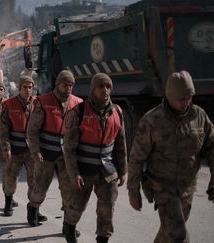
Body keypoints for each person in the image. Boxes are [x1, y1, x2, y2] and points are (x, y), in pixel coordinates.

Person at [127, 70, 214, 243]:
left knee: (169, 233)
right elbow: (136, 158)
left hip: (188, 187)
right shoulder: (152, 120)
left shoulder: (199, 116)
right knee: (178, 232)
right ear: (169, 96)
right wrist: (133, 191)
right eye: (181, 99)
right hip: (162, 186)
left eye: (189, 97)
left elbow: (212, 148)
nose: (186, 102)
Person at [63, 73, 127, 243]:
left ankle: (102, 238)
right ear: (93, 89)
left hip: (108, 172)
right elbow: (69, 148)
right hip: (83, 171)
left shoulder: (117, 112)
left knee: (107, 210)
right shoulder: (78, 111)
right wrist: (74, 174)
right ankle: (69, 227)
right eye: (101, 86)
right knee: (76, 207)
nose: (105, 90)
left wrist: (123, 171)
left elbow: (121, 147)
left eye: (108, 87)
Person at [26, 70, 82, 227]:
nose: (68, 88)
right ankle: (33, 209)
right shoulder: (43, 101)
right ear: (58, 84)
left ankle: (68, 226)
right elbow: (32, 130)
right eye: (65, 84)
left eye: (71, 85)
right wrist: (35, 151)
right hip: (46, 155)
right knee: (40, 187)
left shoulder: (78, 104)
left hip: (68, 157)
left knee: (69, 191)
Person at [0, 75, 46, 218]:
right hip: (15, 150)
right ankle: (8, 203)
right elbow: (2, 128)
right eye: (24, 87)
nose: (27, 90)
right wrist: (6, 148)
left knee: (35, 181)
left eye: (30, 87)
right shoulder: (9, 105)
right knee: (10, 178)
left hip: (32, 151)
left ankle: (34, 210)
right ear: (19, 88)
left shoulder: (38, 104)